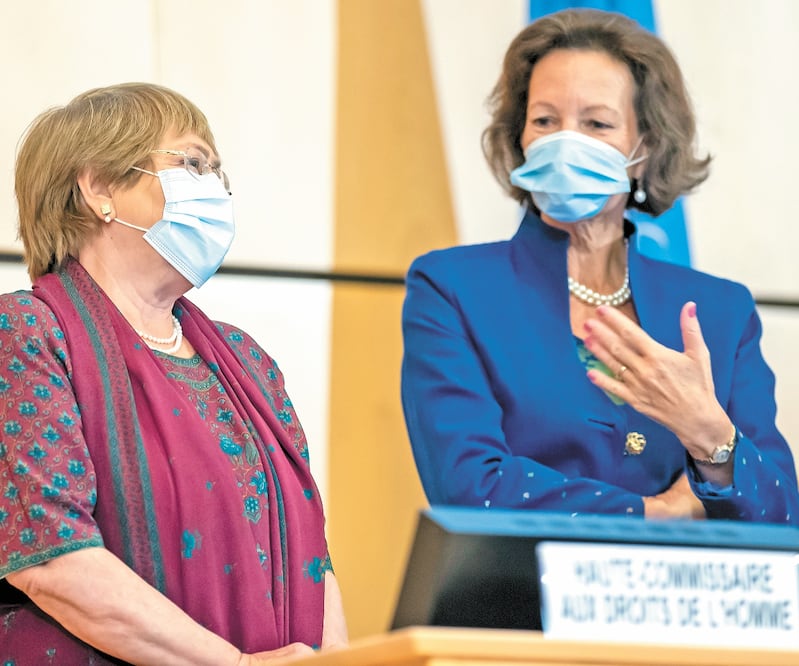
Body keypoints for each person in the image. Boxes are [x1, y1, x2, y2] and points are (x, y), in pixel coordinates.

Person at [400, 9, 799, 524]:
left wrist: (710, 435)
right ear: (517, 135)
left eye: (597, 124)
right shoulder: (453, 289)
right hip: (514, 599)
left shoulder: (721, 312)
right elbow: (470, 487)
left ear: (645, 148)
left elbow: (783, 511)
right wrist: (655, 511)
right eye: (544, 120)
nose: (566, 142)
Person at [0, 83, 347, 664]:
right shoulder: (29, 332)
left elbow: (313, 556)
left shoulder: (248, 361)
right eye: (191, 164)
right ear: (99, 188)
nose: (214, 189)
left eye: (217, 173)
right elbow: (51, 557)